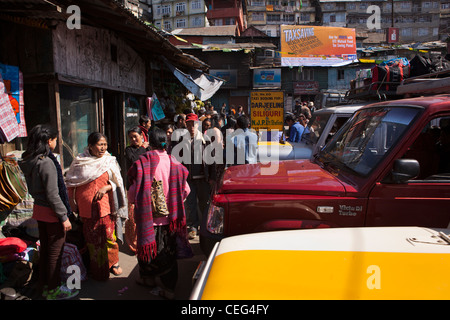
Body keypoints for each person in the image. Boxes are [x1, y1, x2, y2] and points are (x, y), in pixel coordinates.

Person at [127, 128, 190, 299]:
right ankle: (168, 289)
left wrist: (135, 202)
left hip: (149, 220)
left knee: (147, 251)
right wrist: (175, 202)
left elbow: (133, 192)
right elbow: (186, 190)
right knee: (167, 254)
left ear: (150, 143)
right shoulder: (174, 162)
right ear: (165, 144)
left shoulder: (142, 163)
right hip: (171, 219)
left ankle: (149, 279)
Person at [19, 124, 78, 300]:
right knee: (54, 254)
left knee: (46, 251)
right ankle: (52, 290)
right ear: (47, 141)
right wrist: (63, 216)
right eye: (54, 139)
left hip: (40, 211)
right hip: (52, 213)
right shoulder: (46, 162)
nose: (56, 142)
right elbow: (53, 194)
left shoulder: (29, 159)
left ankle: (44, 287)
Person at [65, 132, 128, 281]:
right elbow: (71, 183)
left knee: (108, 237)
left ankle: (113, 262)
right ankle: (96, 268)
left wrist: (106, 188)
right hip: (86, 209)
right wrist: (72, 205)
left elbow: (117, 182)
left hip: (105, 207)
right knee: (92, 240)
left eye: (105, 145)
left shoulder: (109, 161)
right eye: (100, 145)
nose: (103, 148)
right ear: (91, 146)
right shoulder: (80, 162)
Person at [172, 113, 216, 239]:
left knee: (204, 203)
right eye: (189, 124)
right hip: (189, 179)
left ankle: (205, 226)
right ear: (186, 125)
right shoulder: (181, 141)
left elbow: (212, 161)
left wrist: (212, 178)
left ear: (198, 125)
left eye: (194, 124)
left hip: (203, 178)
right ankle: (193, 227)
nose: (192, 126)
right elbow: (176, 161)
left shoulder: (205, 140)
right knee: (190, 204)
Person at [124, 127, 150, 253]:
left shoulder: (148, 148)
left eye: (136, 136)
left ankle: (146, 242)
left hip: (147, 187)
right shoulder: (129, 150)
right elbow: (134, 161)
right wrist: (142, 148)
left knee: (147, 217)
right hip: (134, 188)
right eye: (131, 137)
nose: (133, 139)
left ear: (142, 136)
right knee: (133, 219)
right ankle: (134, 245)